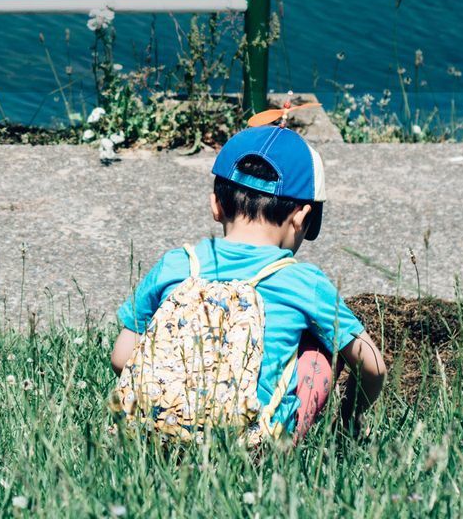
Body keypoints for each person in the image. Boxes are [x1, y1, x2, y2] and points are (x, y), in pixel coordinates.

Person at [109, 122, 387, 443]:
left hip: (156, 434)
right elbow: (373, 367)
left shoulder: (176, 263)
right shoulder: (302, 280)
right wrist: (349, 415)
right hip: (251, 446)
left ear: (216, 205)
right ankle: (281, 443)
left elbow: (121, 357)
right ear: (301, 217)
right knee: (319, 346)